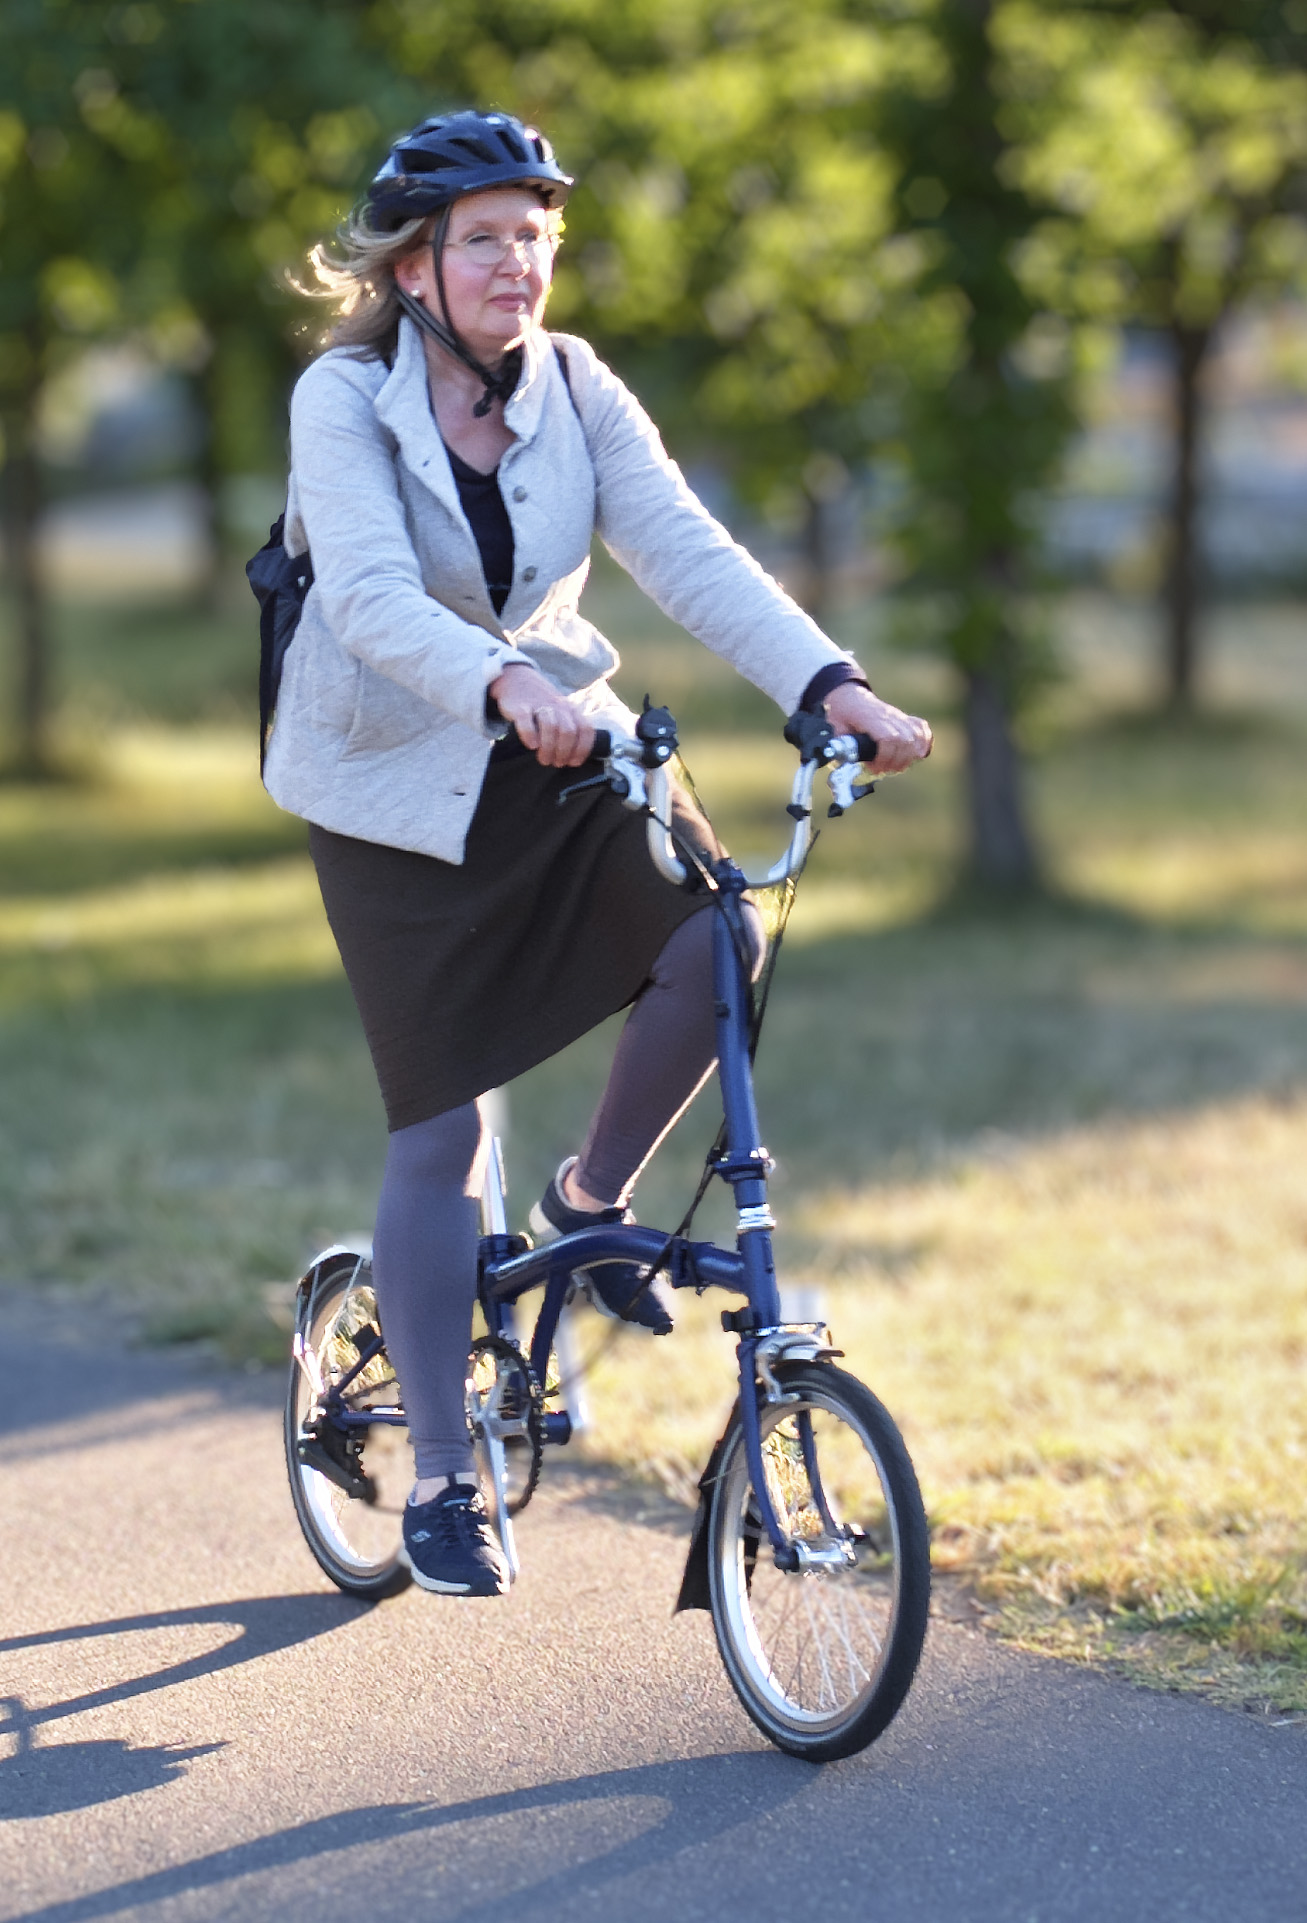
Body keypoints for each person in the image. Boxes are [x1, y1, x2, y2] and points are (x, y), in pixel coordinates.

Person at [265, 110, 932, 1600]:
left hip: (569, 750)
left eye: (539, 238)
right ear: (416, 264)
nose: (522, 265)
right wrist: (499, 684)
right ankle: (443, 1475)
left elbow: (686, 551)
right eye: (488, 239)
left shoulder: (573, 385)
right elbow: (368, 595)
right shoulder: (346, 397)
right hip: (392, 781)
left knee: (719, 940)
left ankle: (588, 1203)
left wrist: (831, 687)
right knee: (442, 1127)